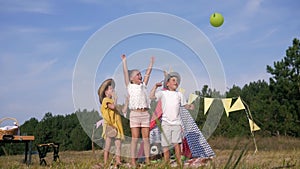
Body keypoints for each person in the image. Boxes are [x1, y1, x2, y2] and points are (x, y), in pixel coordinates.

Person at [150, 72, 194, 167]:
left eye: (177, 81)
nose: (176, 82)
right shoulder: (163, 93)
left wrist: (189, 106)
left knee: (176, 143)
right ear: (167, 83)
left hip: (176, 123)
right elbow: (151, 97)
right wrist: (155, 87)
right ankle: (167, 163)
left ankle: (179, 163)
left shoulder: (179, 95)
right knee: (165, 145)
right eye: (173, 80)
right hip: (165, 123)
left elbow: (184, 105)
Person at [121, 54, 154, 167]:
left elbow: (148, 75)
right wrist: (124, 62)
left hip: (145, 114)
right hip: (135, 114)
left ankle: (148, 160)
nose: (140, 76)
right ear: (131, 78)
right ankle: (133, 161)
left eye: (140, 74)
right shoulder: (130, 86)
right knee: (135, 138)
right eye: (137, 74)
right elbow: (125, 73)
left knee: (146, 139)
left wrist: (151, 64)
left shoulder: (143, 85)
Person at [98, 78, 125, 168]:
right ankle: (106, 162)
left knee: (118, 144)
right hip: (110, 125)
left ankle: (118, 161)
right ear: (106, 92)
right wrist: (115, 99)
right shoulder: (106, 100)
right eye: (110, 89)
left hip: (116, 125)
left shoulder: (112, 101)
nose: (112, 90)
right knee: (108, 145)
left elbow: (121, 110)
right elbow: (113, 107)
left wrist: (126, 102)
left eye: (112, 88)